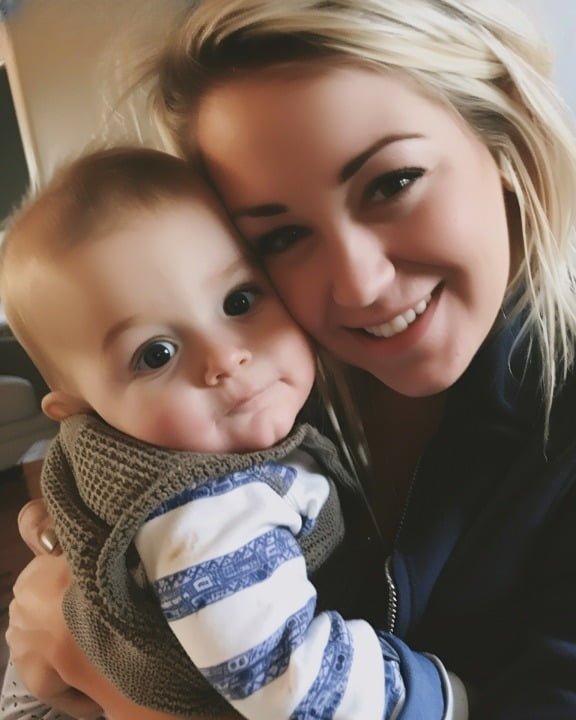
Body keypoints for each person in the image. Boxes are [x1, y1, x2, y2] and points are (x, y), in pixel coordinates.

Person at [6, 0, 576, 717]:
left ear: (505, 140)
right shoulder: (263, 393)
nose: (359, 285)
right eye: (280, 238)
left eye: (392, 183)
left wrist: (111, 683)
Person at [0, 146, 438, 720]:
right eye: (156, 354)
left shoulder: (223, 440)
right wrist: (442, 699)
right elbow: (296, 688)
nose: (226, 358)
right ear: (84, 411)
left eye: (239, 301)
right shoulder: (208, 514)